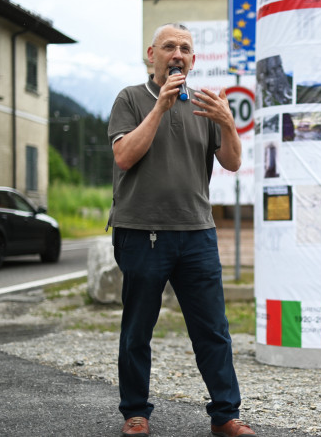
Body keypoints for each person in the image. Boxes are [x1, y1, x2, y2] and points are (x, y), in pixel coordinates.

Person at [107, 22, 255, 437]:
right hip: (141, 232)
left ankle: (225, 415)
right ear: (151, 54)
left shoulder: (206, 104)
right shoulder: (131, 98)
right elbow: (124, 156)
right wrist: (160, 108)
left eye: (185, 49)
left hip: (197, 233)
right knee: (138, 329)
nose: (177, 54)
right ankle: (135, 412)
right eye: (169, 46)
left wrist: (227, 123)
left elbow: (232, 162)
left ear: (193, 60)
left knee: (213, 330)